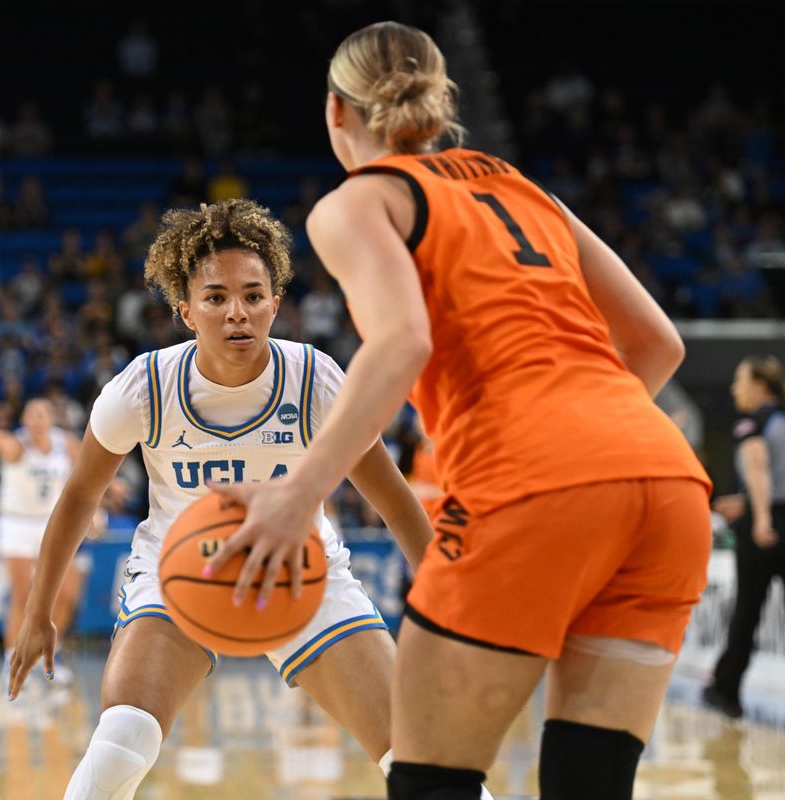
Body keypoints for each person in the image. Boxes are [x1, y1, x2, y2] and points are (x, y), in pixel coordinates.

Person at [203, 23, 712, 800]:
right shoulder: (516, 184)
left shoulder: (356, 203)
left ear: (336, 112)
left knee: (430, 783)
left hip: (528, 480)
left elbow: (402, 341)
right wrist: (592, 447)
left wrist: (295, 493)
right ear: (438, 110)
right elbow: (656, 343)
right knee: (590, 782)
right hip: (667, 480)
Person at [8, 199, 441, 800]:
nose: (237, 312)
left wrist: (451, 612)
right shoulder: (144, 387)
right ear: (186, 311)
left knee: (423, 760)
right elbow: (81, 493)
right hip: (181, 574)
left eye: (253, 295)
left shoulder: (314, 378)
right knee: (121, 739)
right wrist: (37, 613)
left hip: (302, 574)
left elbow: (395, 503)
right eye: (215, 298)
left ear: (275, 302)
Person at [704, 356, 785, 730]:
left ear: (760, 385)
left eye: (739, 380)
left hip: (769, 527)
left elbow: (759, 470)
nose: (734, 388)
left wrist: (759, 517)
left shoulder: (752, 422)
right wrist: (749, 503)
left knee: (747, 613)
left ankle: (726, 691)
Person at [0, 398, 80, 676]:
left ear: (51, 419)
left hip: (52, 523)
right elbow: (6, 446)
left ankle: (48, 652)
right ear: (24, 420)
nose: (37, 420)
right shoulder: (18, 444)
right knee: (24, 597)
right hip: (17, 523)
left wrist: (110, 490)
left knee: (67, 594)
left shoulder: (66, 444)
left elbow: (87, 473)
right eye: (32, 415)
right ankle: (12, 658)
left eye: (42, 414)